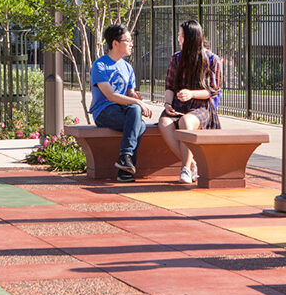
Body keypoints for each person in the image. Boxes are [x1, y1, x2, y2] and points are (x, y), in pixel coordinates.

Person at [158, 19, 222, 184]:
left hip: (201, 107)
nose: (179, 39)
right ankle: (193, 164)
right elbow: (170, 86)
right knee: (164, 123)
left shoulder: (212, 59)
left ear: (192, 39)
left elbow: (212, 91)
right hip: (179, 105)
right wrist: (168, 104)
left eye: (181, 36)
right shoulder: (176, 59)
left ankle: (185, 169)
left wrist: (191, 94)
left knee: (186, 122)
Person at [89, 24, 152, 182]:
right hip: (104, 112)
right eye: (128, 40)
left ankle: (125, 161)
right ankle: (125, 168)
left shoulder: (128, 68)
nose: (132, 44)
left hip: (123, 111)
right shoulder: (100, 65)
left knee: (137, 118)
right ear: (115, 43)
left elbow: (130, 92)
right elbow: (110, 95)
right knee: (140, 125)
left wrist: (136, 98)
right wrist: (139, 104)